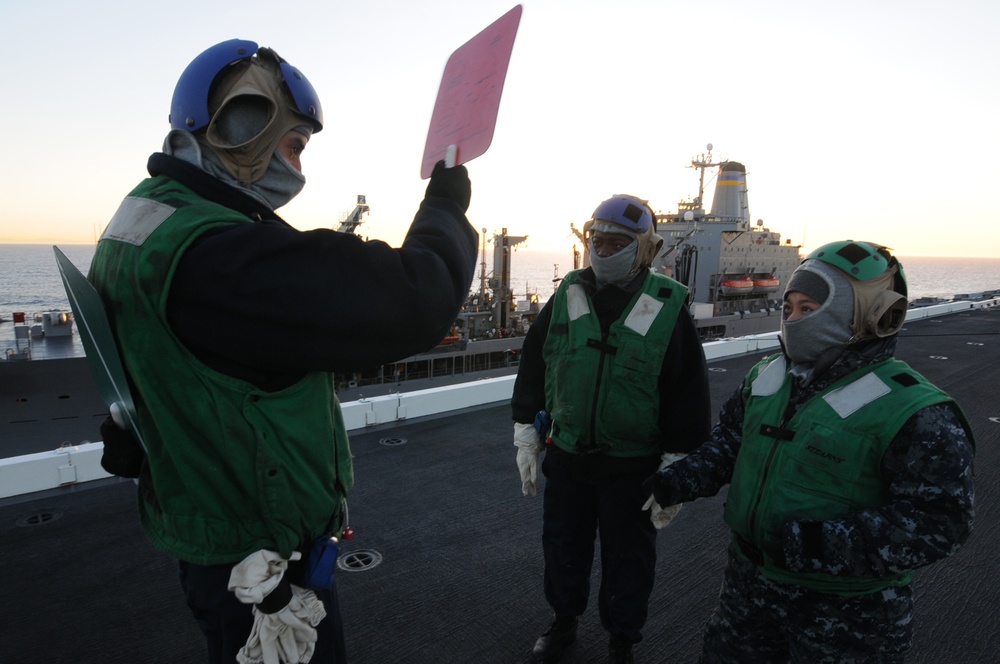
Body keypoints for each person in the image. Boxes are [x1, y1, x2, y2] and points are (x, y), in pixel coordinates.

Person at [87, 39, 478, 663]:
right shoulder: (222, 257)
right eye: (293, 144)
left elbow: (144, 355)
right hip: (262, 569)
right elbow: (417, 300)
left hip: (210, 535)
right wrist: (446, 202)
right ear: (243, 126)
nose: (298, 167)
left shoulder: (141, 221)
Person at [643, 240, 976, 663]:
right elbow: (731, 442)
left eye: (810, 309)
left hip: (847, 616)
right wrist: (678, 480)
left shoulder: (913, 411)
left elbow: (941, 522)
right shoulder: (768, 378)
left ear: (867, 314)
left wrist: (819, 544)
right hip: (748, 589)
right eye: (789, 308)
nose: (793, 321)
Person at [511, 195, 712, 664]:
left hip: (631, 464)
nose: (602, 250)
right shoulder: (567, 295)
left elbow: (687, 388)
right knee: (563, 546)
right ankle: (564, 622)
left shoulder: (666, 307)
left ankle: (623, 639)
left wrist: (676, 463)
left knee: (629, 559)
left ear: (644, 249)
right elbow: (536, 362)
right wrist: (525, 426)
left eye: (616, 242)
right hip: (568, 452)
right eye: (596, 240)